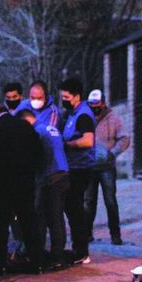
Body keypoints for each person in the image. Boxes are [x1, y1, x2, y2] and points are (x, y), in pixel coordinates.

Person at [0, 103, 41, 274]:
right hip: (25, 181)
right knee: (28, 221)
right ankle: (35, 262)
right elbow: (38, 151)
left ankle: (0, 263)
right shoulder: (25, 126)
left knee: (1, 223)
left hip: (3, 183)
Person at [19, 109, 70, 271]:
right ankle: (57, 255)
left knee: (49, 217)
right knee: (57, 217)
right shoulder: (50, 127)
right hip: (63, 173)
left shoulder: (37, 131)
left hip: (51, 176)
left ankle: (56, 258)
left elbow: (39, 155)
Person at [83, 89, 129, 245]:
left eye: (97, 104)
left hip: (106, 167)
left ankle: (115, 235)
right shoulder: (86, 117)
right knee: (89, 201)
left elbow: (124, 138)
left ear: (103, 103)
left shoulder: (113, 118)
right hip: (89, 166)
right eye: (91, 104)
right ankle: (86, 234)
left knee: (110, 201)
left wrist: (113, 153)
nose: (94, 106)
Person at [59, 78, 95, 265]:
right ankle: (78, 248)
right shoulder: (71, 114)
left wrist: (68, 144)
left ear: (76, 96)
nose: (63, 100)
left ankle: (81, 250)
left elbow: (88, 140)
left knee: (75, 208)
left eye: (66, 97)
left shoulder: (83, 115)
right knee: (72, 208)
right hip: (73, 166)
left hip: (80, 168)